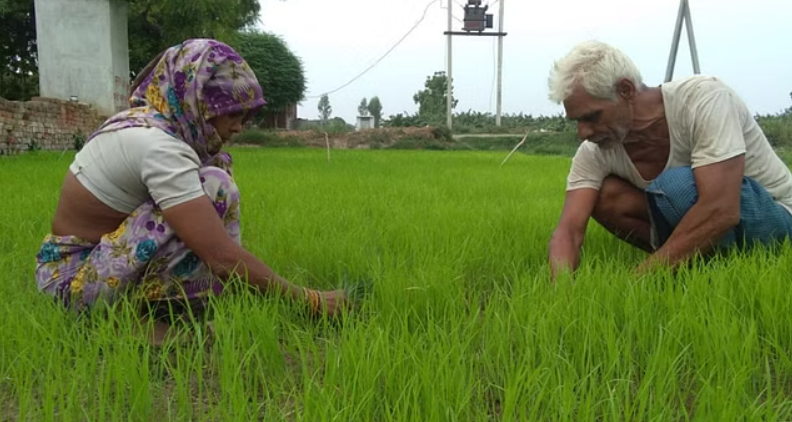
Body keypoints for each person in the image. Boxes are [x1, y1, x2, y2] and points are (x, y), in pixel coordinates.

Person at [35, 39, 348, 343]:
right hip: (72, 285)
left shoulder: (147, 125)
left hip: (78, 271)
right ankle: (131, 325)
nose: (239, 127)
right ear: (196, 101)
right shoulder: (160, 147)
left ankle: (162, 309)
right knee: (214, 187)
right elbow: (220, 255)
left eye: (246, 116)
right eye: (233, 113)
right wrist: (310, 300)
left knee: (205, 190)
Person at [546, 40, 792, 280]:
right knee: (603, 195)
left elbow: (722, 209)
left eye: (592, 116)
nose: (583, 133)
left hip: (777, 214)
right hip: (721, 225)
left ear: (626, 90)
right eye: (577, 122)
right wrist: (562, 294)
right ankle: (700, 269)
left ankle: (681, 268)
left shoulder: (703, 98)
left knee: (676, 187)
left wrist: (638, 281)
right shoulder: (595, 151)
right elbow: (568, 231)